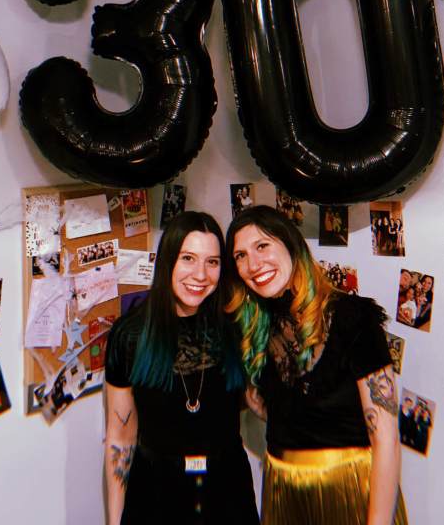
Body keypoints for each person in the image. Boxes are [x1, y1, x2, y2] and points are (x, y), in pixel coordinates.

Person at [224, 205, 406, 525]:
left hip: (348, 489)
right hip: (283, 490)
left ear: (291, 244)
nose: (253, 264)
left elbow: (386, 439)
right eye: (240, 255)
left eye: (262, 246)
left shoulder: (352, 317)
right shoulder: (253, 328)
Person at [103, 211, 259, 525]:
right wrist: (115, 520)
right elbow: (120, 438)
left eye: (212, 262)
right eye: (188, 258)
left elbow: (261, 402)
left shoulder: (236, 326)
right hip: (155, 494)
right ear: (167, 261)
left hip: (228, 492)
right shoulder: (130, 335)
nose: (200, 275)